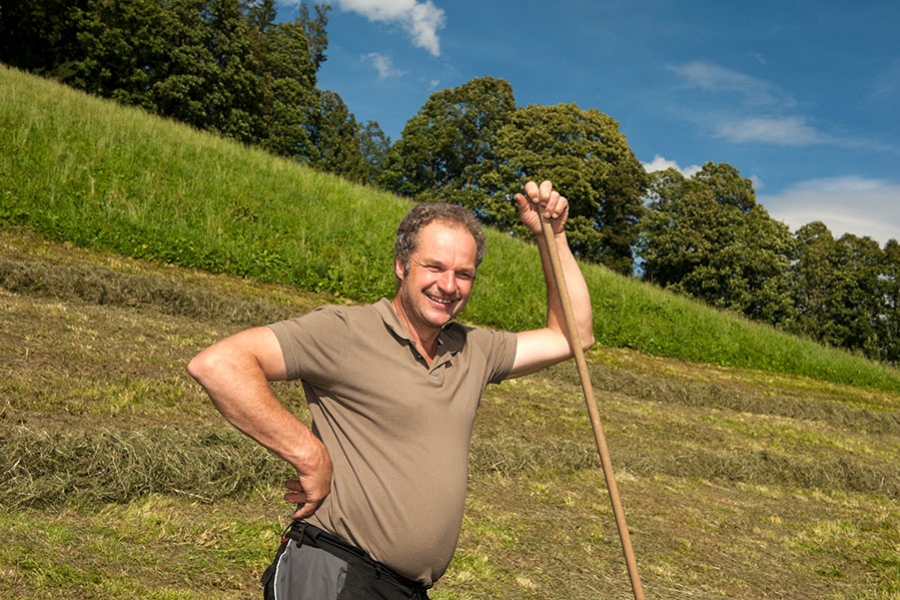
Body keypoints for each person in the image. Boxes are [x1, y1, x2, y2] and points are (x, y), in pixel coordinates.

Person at [187, 180, 594, 599]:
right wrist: (309, 455)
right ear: (402, 265)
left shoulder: (474, 349)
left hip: (406, 590)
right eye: (434, 267)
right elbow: (221, 364)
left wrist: (553, 236)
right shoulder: (347, 331)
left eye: (464, 274)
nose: (449, 285)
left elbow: (573, 336)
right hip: (335, 569)